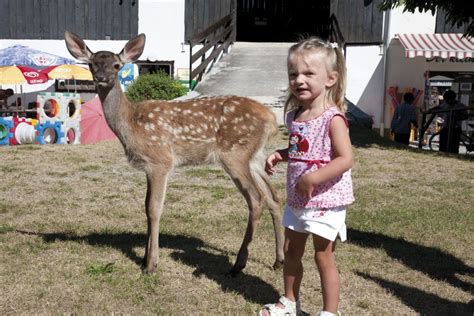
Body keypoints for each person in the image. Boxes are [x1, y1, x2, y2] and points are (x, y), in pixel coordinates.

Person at [260, 37, 354, 316]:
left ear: (330, 79)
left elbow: (345, 158)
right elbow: (303, 149)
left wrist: (313, 179)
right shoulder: (296, 116)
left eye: (308, 73)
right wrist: (281, 153)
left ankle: (330, 312)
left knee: (323, 256)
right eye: (293, 74)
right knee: (291, 251)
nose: (299, 80)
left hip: (325, 200)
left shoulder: (332, 118)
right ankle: (290, 303)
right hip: (298, 199)